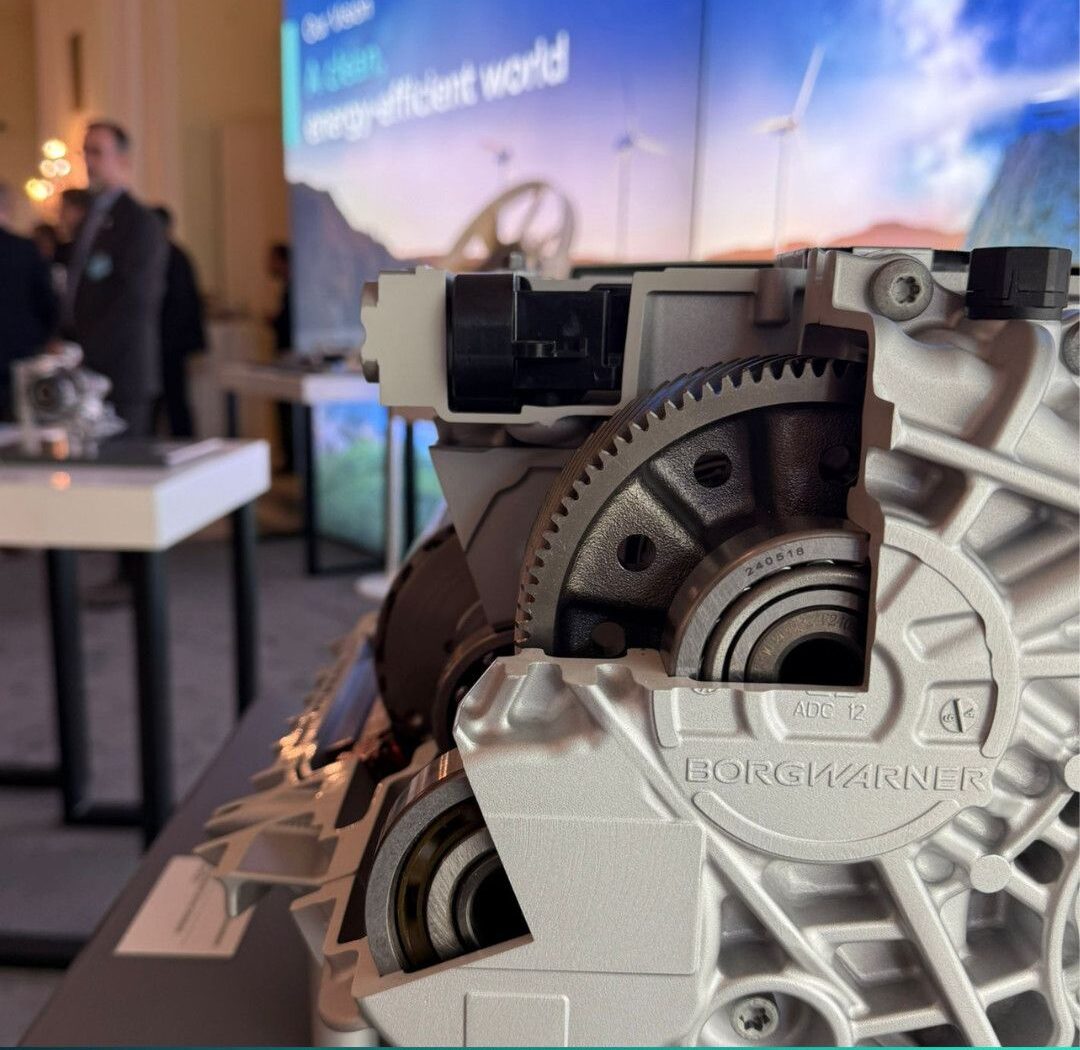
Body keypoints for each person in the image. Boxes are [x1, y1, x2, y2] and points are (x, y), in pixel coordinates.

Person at [60, 120, 167, 438]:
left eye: (97, 152)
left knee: (122, 461)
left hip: (120, 371)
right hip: (87, 370)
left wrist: (87, 350)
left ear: (122, 159)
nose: (89, 162)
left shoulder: (139, 222)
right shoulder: (90, 219)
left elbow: (136, 300)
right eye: (85, 152)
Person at [0, 182, 59, 421]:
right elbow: (46, 300)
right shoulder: (26, 250)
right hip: (22, 351)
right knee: (22, 420)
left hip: (20, 350)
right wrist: (48, 335)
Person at [152, 205, 205, 438]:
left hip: (170, 345)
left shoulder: (171, 257)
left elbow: (180, 305)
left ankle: (184, 445)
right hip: (169, 343)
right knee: (171, 402)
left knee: (174, 402)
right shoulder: (172, 255)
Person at [266, 242, 295, 472]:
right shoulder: (290, 286)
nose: (269, 265)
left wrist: (274, 321)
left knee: (289, 410)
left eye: (273, 259)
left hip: (290, 357)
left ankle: (292, 460)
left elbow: (288, 324)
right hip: (287, 356)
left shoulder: (294, 288)